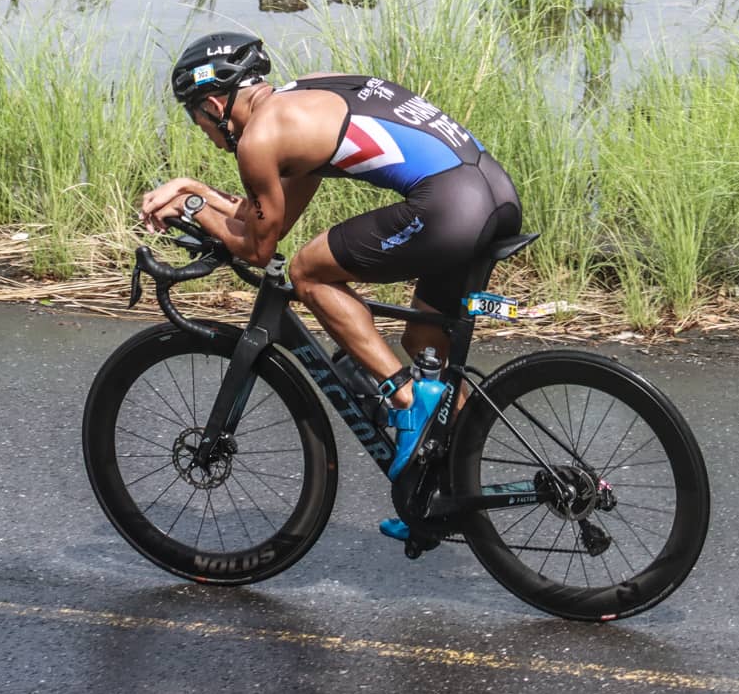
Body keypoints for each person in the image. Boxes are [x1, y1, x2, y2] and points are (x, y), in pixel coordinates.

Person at [139, 30, 523, 541]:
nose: (204, 132)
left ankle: (404, 400)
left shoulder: (258, 141)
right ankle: (442, 493)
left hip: (451, 207)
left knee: (307, 272)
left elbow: (256, 249)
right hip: (492, 194)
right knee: (423, 345)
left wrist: (189, 206)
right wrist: (197, 190)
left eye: (197, 121)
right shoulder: (306, 98)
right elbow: (263, 221)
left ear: (214, 105)